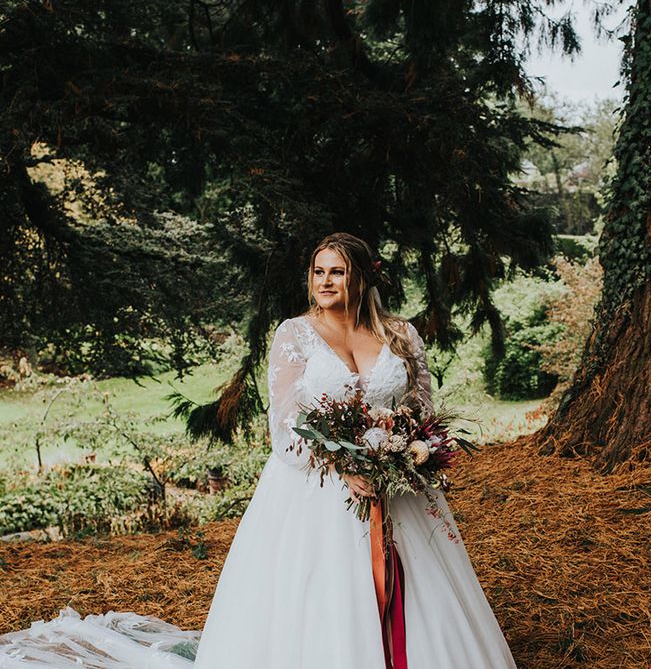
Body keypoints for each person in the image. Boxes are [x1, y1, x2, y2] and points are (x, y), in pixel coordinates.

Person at [0, 232, 517, 669]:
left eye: (337, 271)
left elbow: (422, 407)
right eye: (318, 272)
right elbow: (286, 427)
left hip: (397, 488)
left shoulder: (399, 334)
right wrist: (345, 468)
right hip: (316, 494)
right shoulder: (294, 334)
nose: (325, 282)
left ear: (362, 275)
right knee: (320, 599)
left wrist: (406, 451)